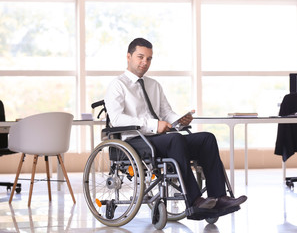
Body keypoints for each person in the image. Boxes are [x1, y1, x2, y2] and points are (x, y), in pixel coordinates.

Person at [104, 37, 247, 217]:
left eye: (149, 58)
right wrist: (154, 125)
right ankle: (194, 201)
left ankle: (219, 197)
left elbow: (166, 113)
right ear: (128, 56)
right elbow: (117, 119)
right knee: (175, 139)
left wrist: (180, 119)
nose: (144, 62)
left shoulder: (153, 85)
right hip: (134, 141)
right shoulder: (117, 85)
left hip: (161, 139)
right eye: (140, 57)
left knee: (206, 138)